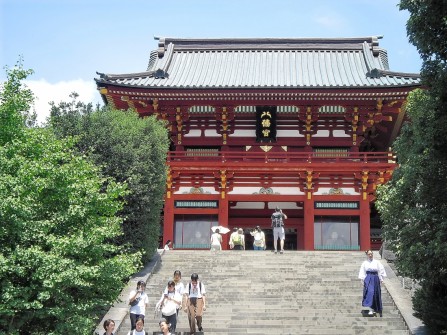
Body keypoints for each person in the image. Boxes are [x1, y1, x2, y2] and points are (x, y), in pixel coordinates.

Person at [358, 249, 387, 317]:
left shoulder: (377, 262)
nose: (370, 255)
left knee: (375, 293)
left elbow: (380, 270)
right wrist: (362, 280)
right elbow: (362, 271)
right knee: (370, 292)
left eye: (371, 254)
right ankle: (370, 309)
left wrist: (381, 279)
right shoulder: (364, 263)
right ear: (367, 255)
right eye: (369, 254)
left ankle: (375, 309)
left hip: (375, 278)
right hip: (368, 278)